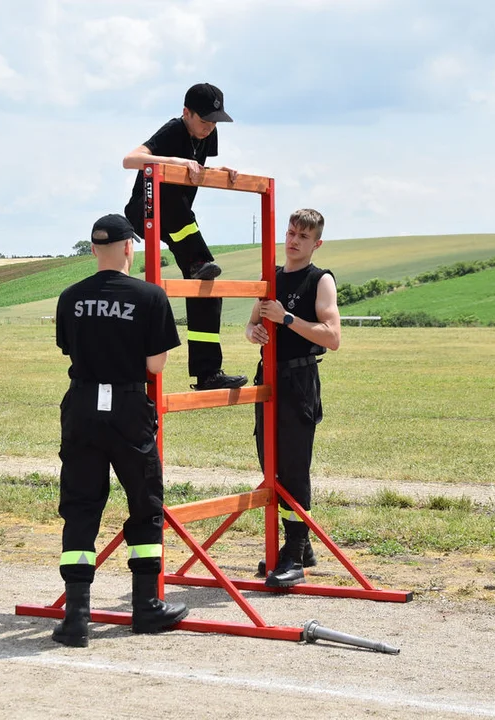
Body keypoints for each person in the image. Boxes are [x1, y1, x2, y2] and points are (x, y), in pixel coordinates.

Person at [52, 213, 187, 648]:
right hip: (128, 406)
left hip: (82, 406)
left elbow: (69, 350)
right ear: (130, 247)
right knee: (144, 502)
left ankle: (76, 617)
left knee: (80, 506)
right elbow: (155, 365)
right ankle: (145, 606)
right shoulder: (150, 296)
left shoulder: (70, 298)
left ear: (93, 249)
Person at [123, 82, 247, 392]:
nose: (209, 128)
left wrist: (219, 172)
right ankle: (196, 261)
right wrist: (176, 162)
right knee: (178, 210)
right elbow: (130, 159)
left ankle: (208, 373)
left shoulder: (207, 134)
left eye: (214, 122)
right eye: (204, 121)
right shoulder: (173, 130)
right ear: (185, 113)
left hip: (177, 217)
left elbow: (198, 170)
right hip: (146, 209)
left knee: (208, 288)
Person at [245, 208, 341, 588]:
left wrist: (286, 319)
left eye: (302, 236)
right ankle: (298, 547)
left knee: (293, 466)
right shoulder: (272, 276)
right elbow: (251, 322)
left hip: (299, 378)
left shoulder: (321, 280)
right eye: (289, 233)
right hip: (266, 378)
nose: (292, 241)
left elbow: (332, 338)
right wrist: (254, 331)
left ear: (316, 243)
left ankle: (294, 551)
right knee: (269, 462)